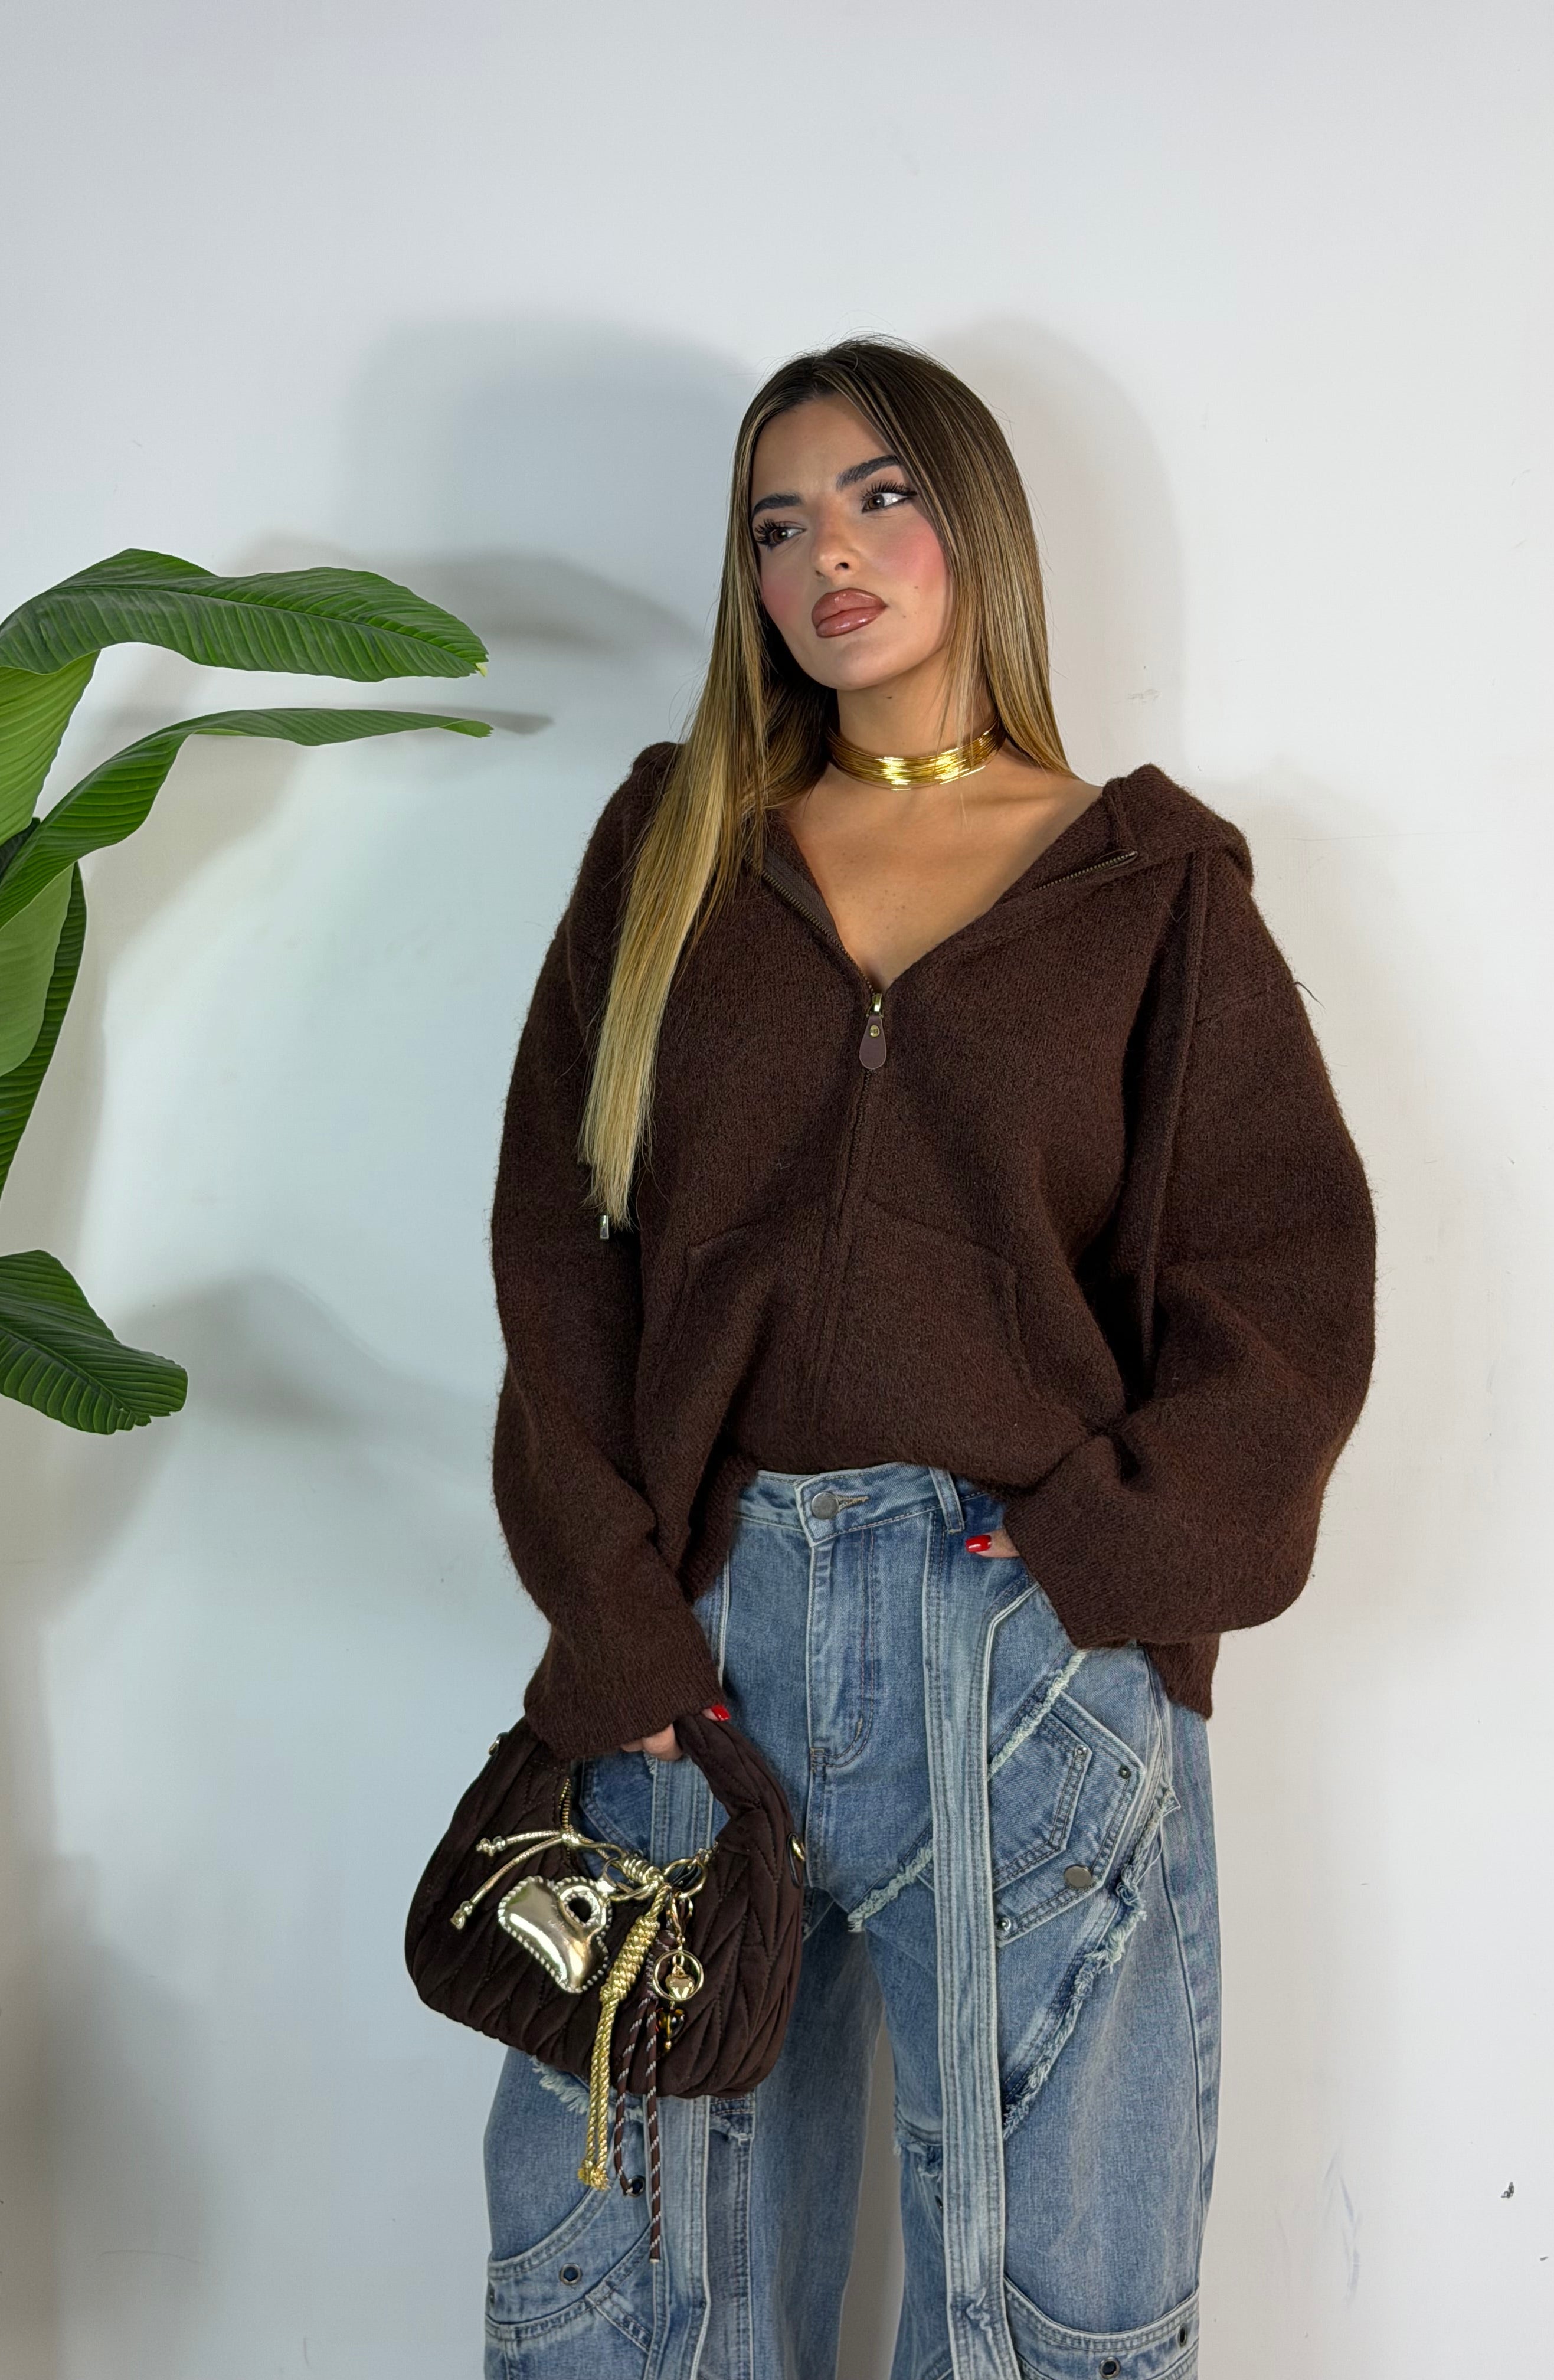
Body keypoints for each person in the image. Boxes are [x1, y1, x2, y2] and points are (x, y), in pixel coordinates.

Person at [477, 336, 1376, 2380]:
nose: (828, 556)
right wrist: (614, 1617)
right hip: (694, 1642)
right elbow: (558, 1258)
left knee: (1037, 2311)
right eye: (776, 523)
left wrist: (1103, 1563)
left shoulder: (1147, 884)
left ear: (975, 525)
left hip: (1021, 1647)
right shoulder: (672, 851)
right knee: (638, 2297)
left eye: (880, 497)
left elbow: (1279, 1278)